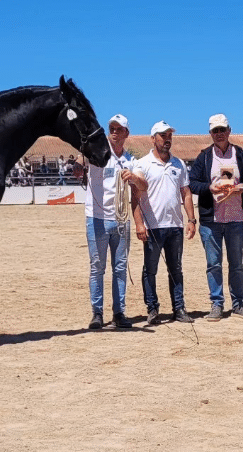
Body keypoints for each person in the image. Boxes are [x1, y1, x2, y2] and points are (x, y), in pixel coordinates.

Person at [188, 114, 243, 321]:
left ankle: (238, 304)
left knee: (236, 264)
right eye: (215, 131)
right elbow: (193, 183)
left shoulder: (241, 155)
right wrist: (209, 187)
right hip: (211, 221)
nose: (219, 134)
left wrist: (242, 186)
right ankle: (217, 304)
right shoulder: (204, 157)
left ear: (229, 131)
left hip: (236, 219)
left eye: (222, 130)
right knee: (213, 264)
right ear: (210, 133)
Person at [83, 114, 148, 330]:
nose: (115, 132)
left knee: (120, 267)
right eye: (112, 128)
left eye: (119, 129)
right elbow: (79, 159)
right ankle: (97, 313)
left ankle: (119, 312)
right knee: (97, 267)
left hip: (120, 219)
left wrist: (134, 178)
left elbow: (143, 185)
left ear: (126, 134)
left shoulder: (130, 160)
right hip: (97, 218)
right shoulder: (98, 153)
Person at [132, 121, 197, 325]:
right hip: (152, 226)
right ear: (153, 139)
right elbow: (135, 197)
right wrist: (139, 224)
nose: (167, 139)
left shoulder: (178, 164)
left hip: (175, 226)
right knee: (150, 270)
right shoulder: (141, 164)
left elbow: (186, 194)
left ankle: (178, 308)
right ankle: (152, 309)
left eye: (169, 135)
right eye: (162, 135)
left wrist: (191, 219)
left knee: (175, 269)